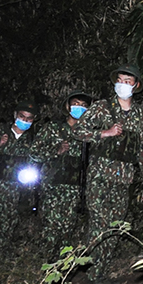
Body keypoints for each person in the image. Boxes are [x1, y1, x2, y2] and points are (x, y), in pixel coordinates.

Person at [71, 65, 143, 278]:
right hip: (99, 175)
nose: (123, 84)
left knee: (116, 227)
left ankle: (100, 272)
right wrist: (104, 133)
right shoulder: (102, 107)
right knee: (98, 224)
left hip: (124, 178)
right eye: (120, 80)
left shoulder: (140, 114)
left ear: (135, 86)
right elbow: (78, 132)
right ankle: (88, 271)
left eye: (128, 81)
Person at [0, 100, 44, 255]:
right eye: (22, 116)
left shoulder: (32, 140)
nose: (25, 121)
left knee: (6, 224)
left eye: (29, 118)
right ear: (15, 115)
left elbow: (36, 160)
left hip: (12, 188)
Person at [35, 91, 92, 254]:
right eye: (76, 104)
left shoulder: (88, 135)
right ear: (67, 106)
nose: (79, 108)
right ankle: (43, 268)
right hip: (53, 186)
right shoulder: (53, 128)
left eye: (83, 106)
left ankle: (60, 268)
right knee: (50, 229)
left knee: (67, 230)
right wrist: (55, 150)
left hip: (74, 189)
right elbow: (34, 153)